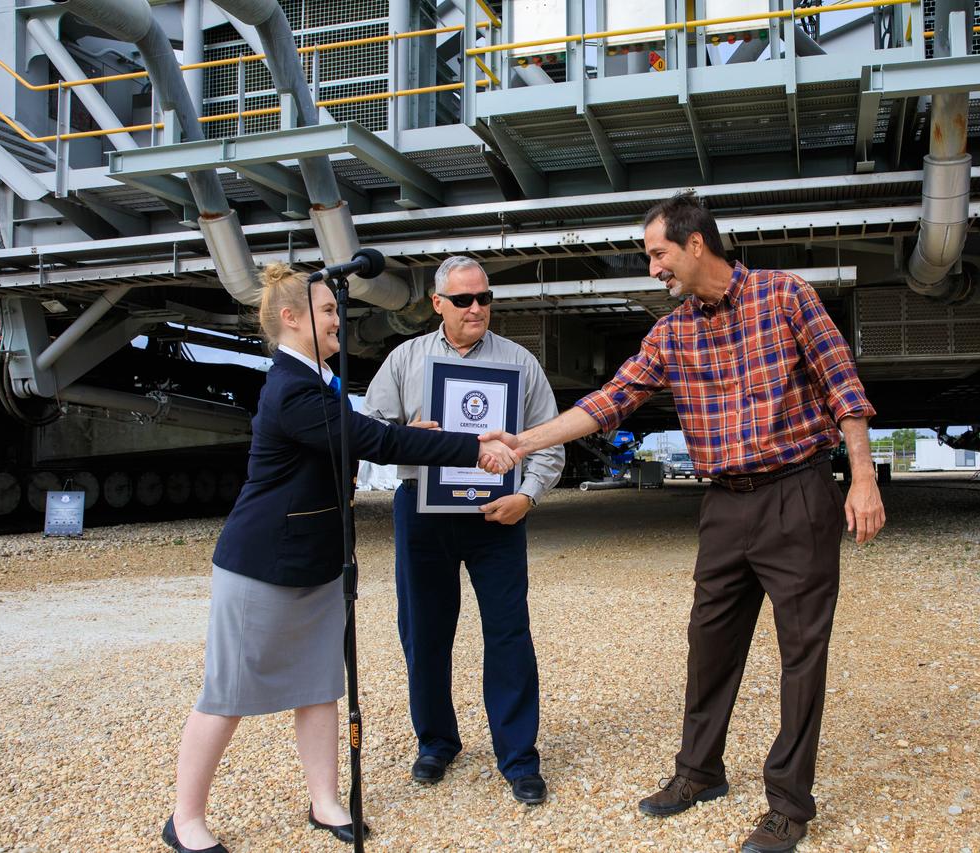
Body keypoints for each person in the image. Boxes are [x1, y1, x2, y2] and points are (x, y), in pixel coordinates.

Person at [483, 193, 886, 852]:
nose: (653, 268)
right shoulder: (671, 332)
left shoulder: (786, 296)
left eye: (657, 253)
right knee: (709, 644)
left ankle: (788, 804)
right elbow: (610, 400)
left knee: (801, 654)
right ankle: (699, 771)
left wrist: (863, 477)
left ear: (696, 244)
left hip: (797, 491)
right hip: (725, 503)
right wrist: (526, 441)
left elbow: (844, 387)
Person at [162, 263, 516, 853]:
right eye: (328, 310)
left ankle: (325, 802)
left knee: (320, 683)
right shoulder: (292, 387)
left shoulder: (318, 380)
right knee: (227, 693)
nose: (338, 319)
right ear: (291, 318)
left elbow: (357, 436)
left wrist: (411, 431)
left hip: (319, 557)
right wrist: (471, 441)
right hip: (263, 564)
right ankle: (186, 818)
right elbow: (369, 438)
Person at [362, 256, 564, 805]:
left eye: (484, 298)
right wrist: (406, 435)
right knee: (424, 631)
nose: (477, 308)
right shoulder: (405, 358)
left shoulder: (519, 362)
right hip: (423, 513)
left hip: (496, 516)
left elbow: (550, 440)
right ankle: (435, 742)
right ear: (437, 304)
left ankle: (518, 756)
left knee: (508, 632)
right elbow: (369, 427)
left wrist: (527, 496)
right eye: (464, 300)